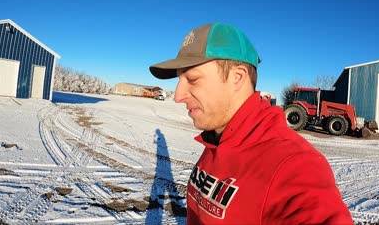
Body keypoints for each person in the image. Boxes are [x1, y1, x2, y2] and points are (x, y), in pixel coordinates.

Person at [149, 23, 353, 224]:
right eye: (179, 80)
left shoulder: (294, 165)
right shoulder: (216, 137)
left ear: (237, 77)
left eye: (192, 79)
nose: (178, 96)